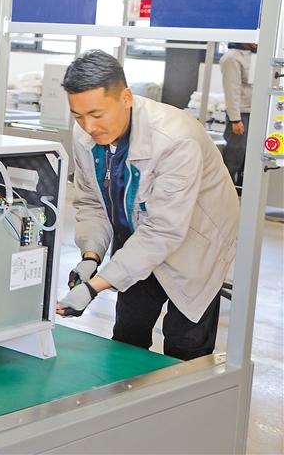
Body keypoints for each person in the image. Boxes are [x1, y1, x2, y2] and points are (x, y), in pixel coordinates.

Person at [55, 50, 239, 361]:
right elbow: (92, 201)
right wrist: (91, 256)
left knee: (185, 348)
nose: (88, 126)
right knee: (127, 338)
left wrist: (93, 288)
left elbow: (164, 230)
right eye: (78, 116)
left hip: (195, 244)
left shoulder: (174, 139)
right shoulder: (86, 136)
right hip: (138, 241)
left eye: (97, 114)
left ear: (126, 98)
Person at [220, 42, 256, 194]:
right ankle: (224, 189)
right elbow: (231, 90)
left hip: (255, 111)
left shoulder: (255, 54)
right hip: (241, 113)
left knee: (250, 153)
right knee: (235, 153)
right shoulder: (232, 57)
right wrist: (235, 119)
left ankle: (242, 188)